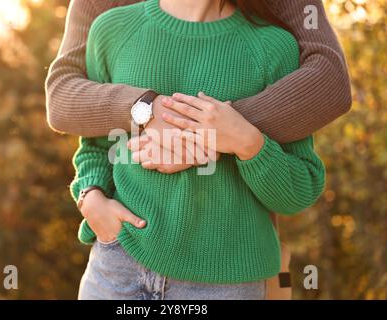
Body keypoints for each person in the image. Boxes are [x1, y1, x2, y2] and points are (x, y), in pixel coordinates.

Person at [67, 0, 327, 300]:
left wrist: (247, 143)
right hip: (116, 266)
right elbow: (97, 145)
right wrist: (90, 196)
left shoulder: (273, 47)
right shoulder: (112, 29)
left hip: (225, 283)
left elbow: (300, 189)